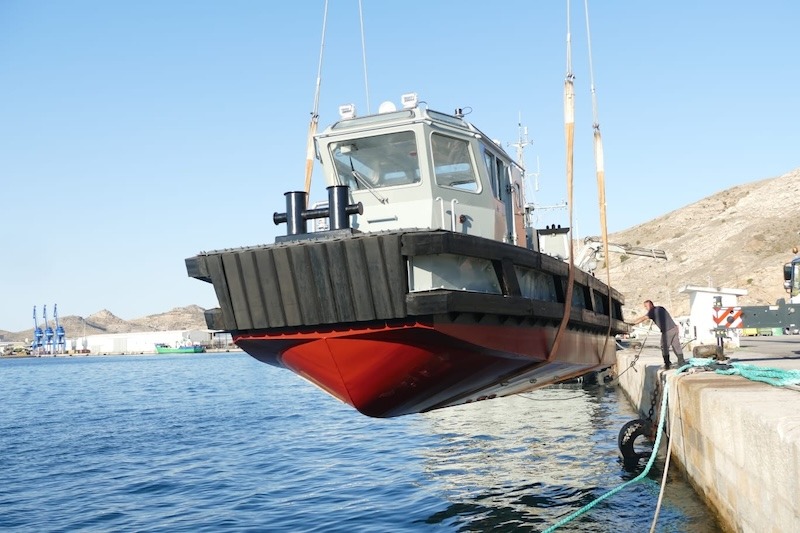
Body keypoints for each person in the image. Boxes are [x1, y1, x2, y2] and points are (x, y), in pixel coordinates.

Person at [629, 300, 686, 369]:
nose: (646, 308)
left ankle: (667, 364)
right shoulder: (660, 308)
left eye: (646, 306)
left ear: (650, 305)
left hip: (667, 330)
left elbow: (643, 318)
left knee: (664, 347)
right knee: (676, 346)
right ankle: (681, 362)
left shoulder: (652, 312)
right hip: (674, 328)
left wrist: (632, 323)